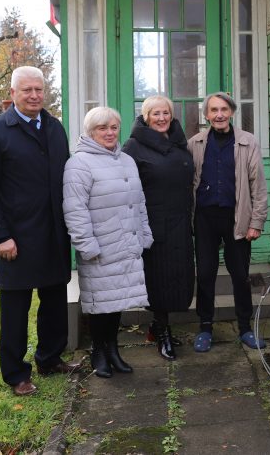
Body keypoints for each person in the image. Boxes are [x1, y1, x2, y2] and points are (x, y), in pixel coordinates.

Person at [0, 66, 81, 397]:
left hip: (52, 234)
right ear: (13, 93)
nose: (34, 96)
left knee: (54, 302)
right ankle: (16, 374)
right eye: (27, 90)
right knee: (16, 309)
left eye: (39, 90)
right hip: (15, 238)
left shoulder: (54, 128)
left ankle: (50, 358)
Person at [63, 106, 153, 378]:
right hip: (100, 248)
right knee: (99, 305)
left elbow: (139, 202)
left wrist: (144, 233)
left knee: (116, 303)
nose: (110, 133)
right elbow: (74, 209)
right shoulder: (78, 164)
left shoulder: (126, 161)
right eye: (103, 128)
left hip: (126, 244)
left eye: (114, 127)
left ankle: (113, 350)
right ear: (91, 132)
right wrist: (86, 245)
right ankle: (98, 353)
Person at [189, 92, 268, 352]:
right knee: (206, 274)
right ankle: (205, 327)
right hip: (205, 218)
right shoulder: (196, 143)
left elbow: (258, 185)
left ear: (231, 112)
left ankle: (244, 327)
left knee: (240, 275)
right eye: (214, 110)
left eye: (224, 109)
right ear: (206, 115)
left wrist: (256, 221)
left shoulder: (247, 142)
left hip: (237, 217)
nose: (219, 115)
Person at [122, 95, 195, 361]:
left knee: (179, 278)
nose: (162, 118)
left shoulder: (178, 143)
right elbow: (125, 187)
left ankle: (157, 327)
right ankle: (162, 331)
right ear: (146, 117)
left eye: (166, 113)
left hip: (181, 223)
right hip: (153, 226)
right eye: (156, 114)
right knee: (159, 280)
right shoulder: (133, 146)